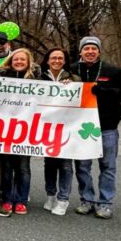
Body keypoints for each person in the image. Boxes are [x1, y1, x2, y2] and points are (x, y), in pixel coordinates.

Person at [72, 36, 121, 220]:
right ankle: (86, 200)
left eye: (93, 49)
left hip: (106, 126)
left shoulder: (113, 71)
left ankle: (105, 203)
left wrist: (104, 91)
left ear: (98, 51)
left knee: (107, 166)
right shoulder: (72, 69)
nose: (90, 51)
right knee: (82, 166)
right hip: (80, 127)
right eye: (86, 48)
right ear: (80, 51)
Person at [0, 49, 39, 215]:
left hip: (27, 129)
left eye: (23, 59)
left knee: (23, 167)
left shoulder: (38, 79)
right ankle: (7, 199)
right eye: (16, 59)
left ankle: (21, 200)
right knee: (6, 167)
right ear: (10, 61)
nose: (19, 62)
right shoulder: (1, 78)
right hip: (6, 128)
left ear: (28, 62)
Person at [39, 48, 80, 216]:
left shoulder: (74, 78)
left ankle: (63, 199)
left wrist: (71, 86)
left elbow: (81, 100)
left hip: (66, 126)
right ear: (47, 60)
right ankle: (50, 195)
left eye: (60, 58)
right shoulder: (38, 78)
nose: (56, 60)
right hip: (45, 126)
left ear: (65, 61)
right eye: (53, 58)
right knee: (49, 163)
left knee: (65, 164)